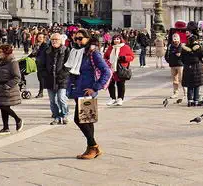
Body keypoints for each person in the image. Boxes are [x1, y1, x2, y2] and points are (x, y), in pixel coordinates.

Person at [65, 29, 111, 159]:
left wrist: (95, 87)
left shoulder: (92, 52)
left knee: (80, 119)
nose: (78, 41)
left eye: (81, 38)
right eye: (76, 39)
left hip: (87, 90)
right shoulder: (76, 52)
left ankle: (94, 146)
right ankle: (91, 147)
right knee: (86, 120)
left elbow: (106, 71)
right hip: (78, 90)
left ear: (87, 38)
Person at [0, 44, 23, 135]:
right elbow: (3, 72)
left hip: (7, 89)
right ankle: (5, 128)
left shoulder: (12, 62)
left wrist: (7, 85)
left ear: (6, 52)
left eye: (0, 52)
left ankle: (18, 119)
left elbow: (17, 77)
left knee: (4, 107)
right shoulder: (2, 61)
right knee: (2, 107)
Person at [42, 33, 70, 125]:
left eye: (56, 39)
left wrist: (63, 74)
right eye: (52, 39)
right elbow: (41, 63)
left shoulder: (66, 50)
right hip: (49, 79)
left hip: (61, 79)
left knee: (61, 98)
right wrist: (44, 73)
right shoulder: (47, 50)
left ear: (61, 41)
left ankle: (64, 114)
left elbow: (69, 65)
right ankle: (56, 116)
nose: (54, 41)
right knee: (52, 100)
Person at [180, 28, 203, 106]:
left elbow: (181, 58)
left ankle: (189, 101)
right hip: (197, 68)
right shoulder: (199, 48)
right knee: (196, 85)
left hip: (187, 68)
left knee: (189, 85)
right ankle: (196, 100)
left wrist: (186, 63)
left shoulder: (184, 48)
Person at [104, 36, 134, 107]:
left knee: (120, 84)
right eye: (114, 39)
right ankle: (112, 98)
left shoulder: (125, 47)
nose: (116, 40)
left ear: (120, 40)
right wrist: (106, 61)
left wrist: (124, 58)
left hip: (121, 68)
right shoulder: (110, 47)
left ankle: (120, 98)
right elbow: (105, 56)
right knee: (111, 84)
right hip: (111, 68)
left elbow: (131, 57)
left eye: (117, 39)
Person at [30, 32, 47, 98]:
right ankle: (41, 91)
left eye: (41, 37)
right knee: (39, 78)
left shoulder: (45, 45)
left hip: (43, 64)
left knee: (41, 78)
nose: (40, 38)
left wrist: (36, 58)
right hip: (38, 63)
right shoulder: (36, 45)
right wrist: (27, 58)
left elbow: (42, 55)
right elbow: (33, 53)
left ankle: (41, 92)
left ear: (43, 38)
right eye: (39, 37)